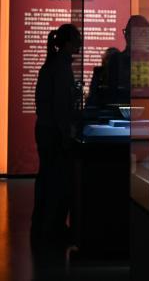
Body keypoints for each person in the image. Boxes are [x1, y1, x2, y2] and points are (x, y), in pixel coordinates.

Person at [31, 24, 82, 251]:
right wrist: (65, 134)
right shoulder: (61, 67)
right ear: (69, 43)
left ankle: (43, 227)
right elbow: (60, 106)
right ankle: (53, 229)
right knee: (57, 182)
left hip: (47, 130)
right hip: (53, 132)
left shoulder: (54, 64)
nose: (80, 43)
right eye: (77, 39)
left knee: (48, 179)